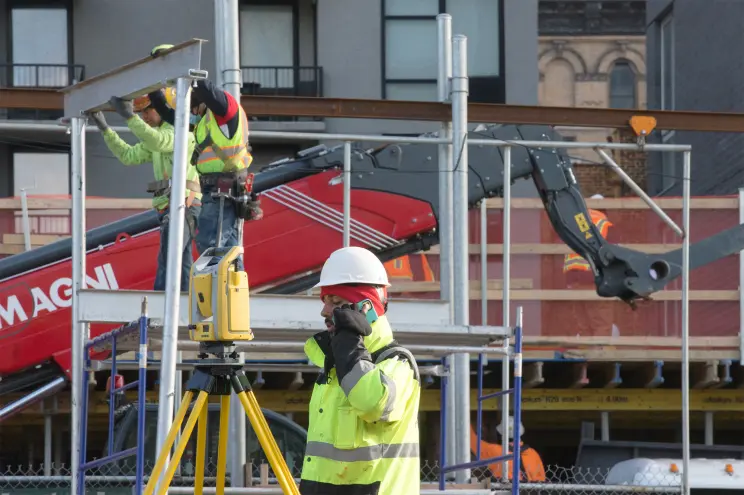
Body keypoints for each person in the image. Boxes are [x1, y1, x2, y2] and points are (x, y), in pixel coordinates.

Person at [299, 246, 422, 495]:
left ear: (367, 308)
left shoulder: (397, 365)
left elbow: (372, 402)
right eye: (325, 301)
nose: (324, 311)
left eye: (336, 302)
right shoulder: (333, 370)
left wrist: (349, 346)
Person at [145, 44, 261, 271]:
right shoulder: (205, 120)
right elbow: (171, 116)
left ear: (200, 101)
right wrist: (154, 87)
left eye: (192, 106)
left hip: (223, 189)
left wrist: (182, 62)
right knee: (226, 247)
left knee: (213, 245)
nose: (191, 112)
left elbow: (206, 88)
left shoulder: (224, 110)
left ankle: (217, 294)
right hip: (218, 189)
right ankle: (227, 291)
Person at [88, 92, 201, 292]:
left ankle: (158, 314)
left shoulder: (180, 132)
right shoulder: (160, 136)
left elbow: (157, 141)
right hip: (174, 207)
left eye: (147, 110)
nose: (144, 116)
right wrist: (105, 129)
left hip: (183, 206)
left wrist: (129, 118)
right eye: (140, 113)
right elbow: (128, 156)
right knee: (180, 263)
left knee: (168, 262)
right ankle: (185, 310)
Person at [562, 193, 616, 336]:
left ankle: (585, 356)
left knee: (583, 326)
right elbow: (613, 254)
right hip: (596, 280)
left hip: (573, 280)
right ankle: (599, 358)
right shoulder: (603, 223)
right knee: (601, 324)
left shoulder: (577, 221)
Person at [469, 416, 546, 482]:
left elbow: (471, 439)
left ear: (500, 434)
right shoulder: (533, 453)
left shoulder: (496, 451)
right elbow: (541, 479)